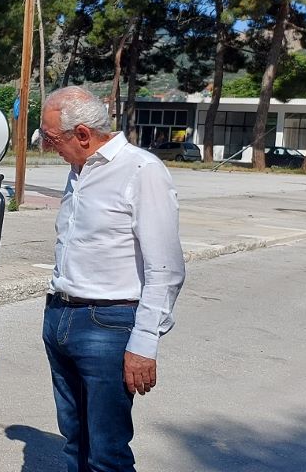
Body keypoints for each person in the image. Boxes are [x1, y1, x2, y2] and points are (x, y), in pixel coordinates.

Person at [38, 87, 186, 471]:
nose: (48, 147)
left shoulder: (142, 170)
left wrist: (145, 342)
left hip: (108, 324)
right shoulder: (80, 170)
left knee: (107, 451)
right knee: (75, 441)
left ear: (83, 134)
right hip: (61, 315)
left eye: (52, 139)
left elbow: (165, 269)